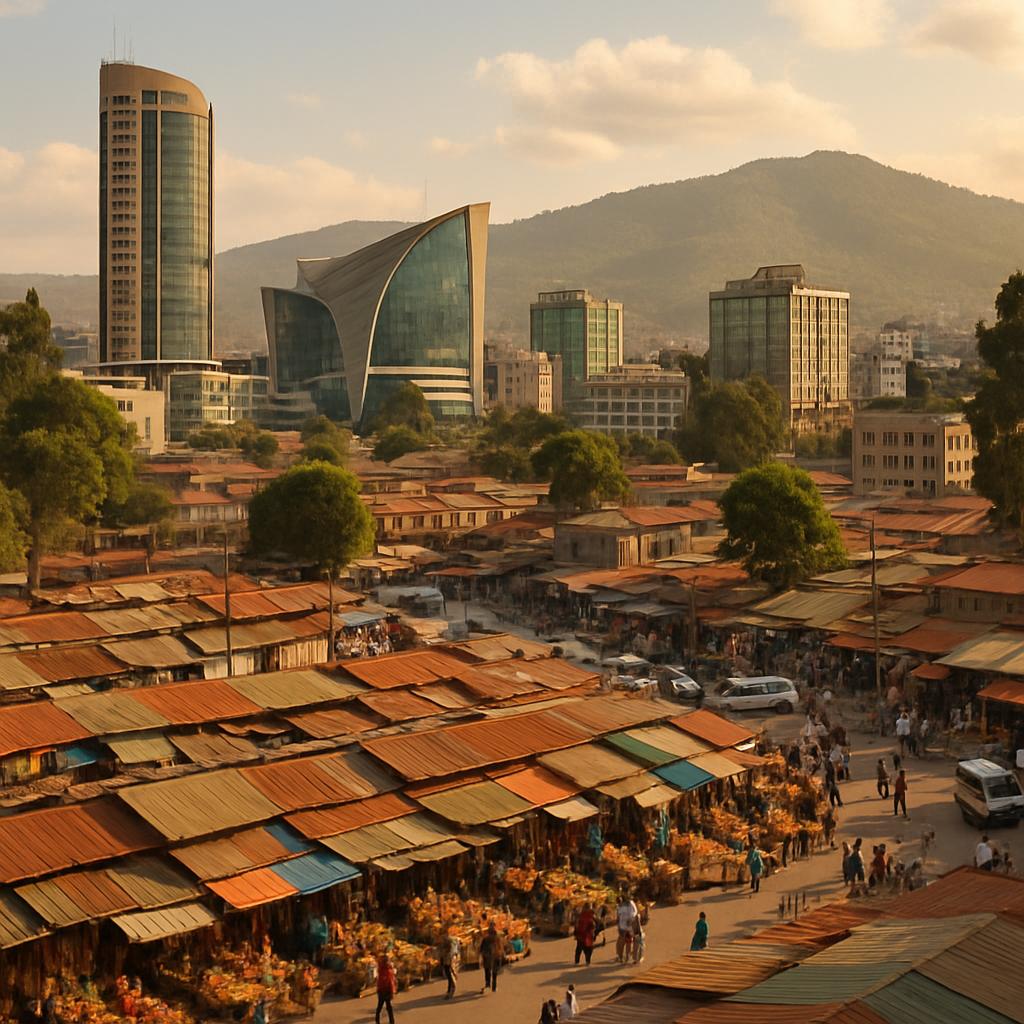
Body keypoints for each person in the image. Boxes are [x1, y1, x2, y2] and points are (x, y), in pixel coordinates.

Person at [479, 922, 502, 994]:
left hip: (494, 957)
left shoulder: (496, 940)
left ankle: (492, 984)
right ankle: (489, 984)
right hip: (489, 958)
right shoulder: (487, 940)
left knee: (492, 971)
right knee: (489, 971)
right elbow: (481, 949)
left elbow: (500, 948)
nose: (491, 936)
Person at [615, 893, 638, 963]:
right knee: (632, 941)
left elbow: (618, 917)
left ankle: (620, 957)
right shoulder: (631, 904)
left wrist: (618, 924)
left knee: (620, 944)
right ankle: (632, 955)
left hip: (622, 927)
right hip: (631, 927)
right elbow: (635, 912)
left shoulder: (620, 907)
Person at [375, 954, 396, 1024]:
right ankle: (392, 1021)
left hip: (381, 990)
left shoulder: (381, 969)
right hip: (386, 991)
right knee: (389, 1007)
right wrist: (392, 992)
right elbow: (391, 982)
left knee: (380, 1007)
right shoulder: (388, 971)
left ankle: (377, 1020)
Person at [441, 927, 460, 1000]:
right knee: (450, 972)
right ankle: (450, 988)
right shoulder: (455, 939)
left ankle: (451, 989)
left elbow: (447, 949)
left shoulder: (448, 940)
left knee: (450, 973)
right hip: (453, 957)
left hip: (450, 957)